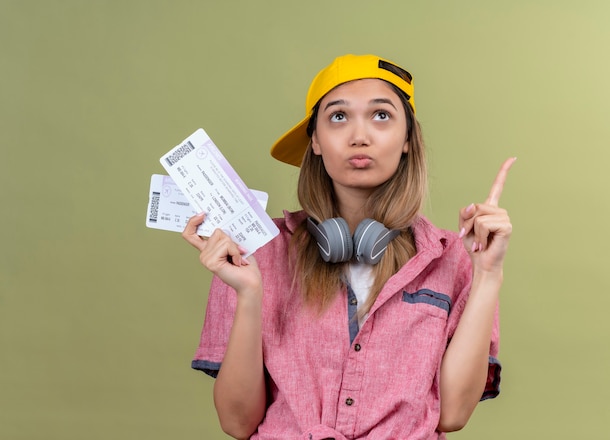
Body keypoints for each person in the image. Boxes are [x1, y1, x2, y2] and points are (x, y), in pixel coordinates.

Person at [183, 53, 515, 440]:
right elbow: (238, 423)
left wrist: (488, 275)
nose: (360, 136)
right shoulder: (253, 254)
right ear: (316, 142)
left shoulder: (453, 258)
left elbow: (454, 413)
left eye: (381, 116)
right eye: (338, 117)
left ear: (407, 139)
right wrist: (249, 293)